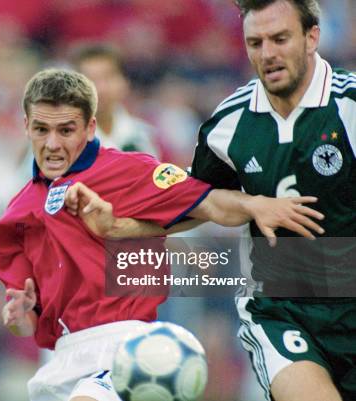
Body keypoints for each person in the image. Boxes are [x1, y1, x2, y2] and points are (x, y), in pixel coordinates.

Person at [71, 1, 355, 400]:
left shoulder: (349, 107)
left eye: (280, 39)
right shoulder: (230, 123)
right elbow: (195, 201)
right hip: (281, 310)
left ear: (312, 37)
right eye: (255, 42)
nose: (267, 53)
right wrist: (117, 225)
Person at [0, 68, 325, 401]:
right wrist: (19, 316)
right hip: (60, 361)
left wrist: (256, 206)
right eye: (42, 129)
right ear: (26, 127)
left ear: (90, 128)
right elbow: (26, 320)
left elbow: (207, 203)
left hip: (124, 351)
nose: (52, 144)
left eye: (66, 130)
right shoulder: (17, 212)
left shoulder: (125, 170)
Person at [73, 44, 160, 156]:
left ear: (124, 83)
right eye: (90, 79)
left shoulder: (146, 137)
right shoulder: (66, 142)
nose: (100, 89)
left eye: (108, 77)